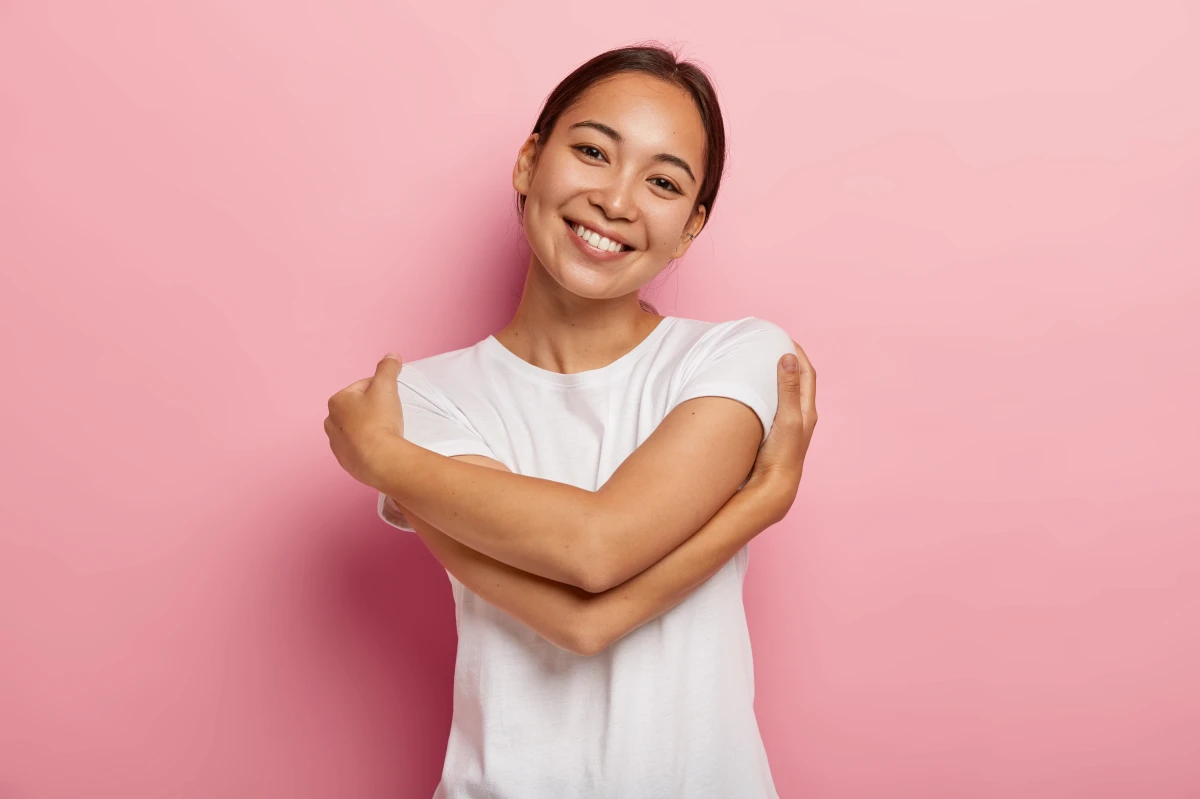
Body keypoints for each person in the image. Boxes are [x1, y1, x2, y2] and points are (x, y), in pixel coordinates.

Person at [324, 44, 818, 799]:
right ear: (529, 162)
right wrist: (759, 502)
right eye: (592, 151)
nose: (617, 201)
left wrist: (383, 460)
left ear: (691, 227)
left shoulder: (738, 356)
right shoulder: (419, 400)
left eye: (662, 182)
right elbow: (580, 618)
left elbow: (596, 547)